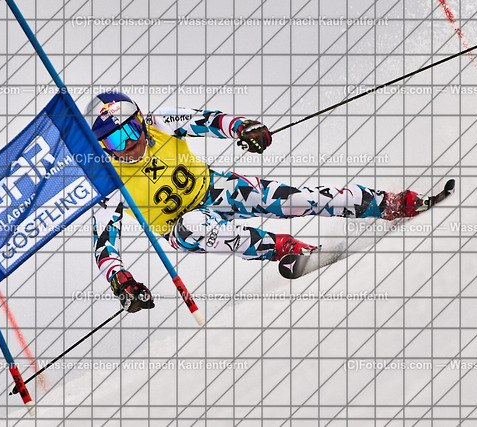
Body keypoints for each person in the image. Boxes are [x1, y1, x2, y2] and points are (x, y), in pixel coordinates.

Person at [86, 91, 434, 313]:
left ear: (141, 120)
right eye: (114, 141)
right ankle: (287, 250)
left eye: (130, 130)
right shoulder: (107, 180)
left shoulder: (160, 122)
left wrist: (244, 128)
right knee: (196, 224)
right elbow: (104, 245)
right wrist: (121, 280)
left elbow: (210, 121)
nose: (128, 144)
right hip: (180, 227)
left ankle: (390, 204)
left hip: (215, 188)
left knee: (295, 200)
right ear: (102, 147)